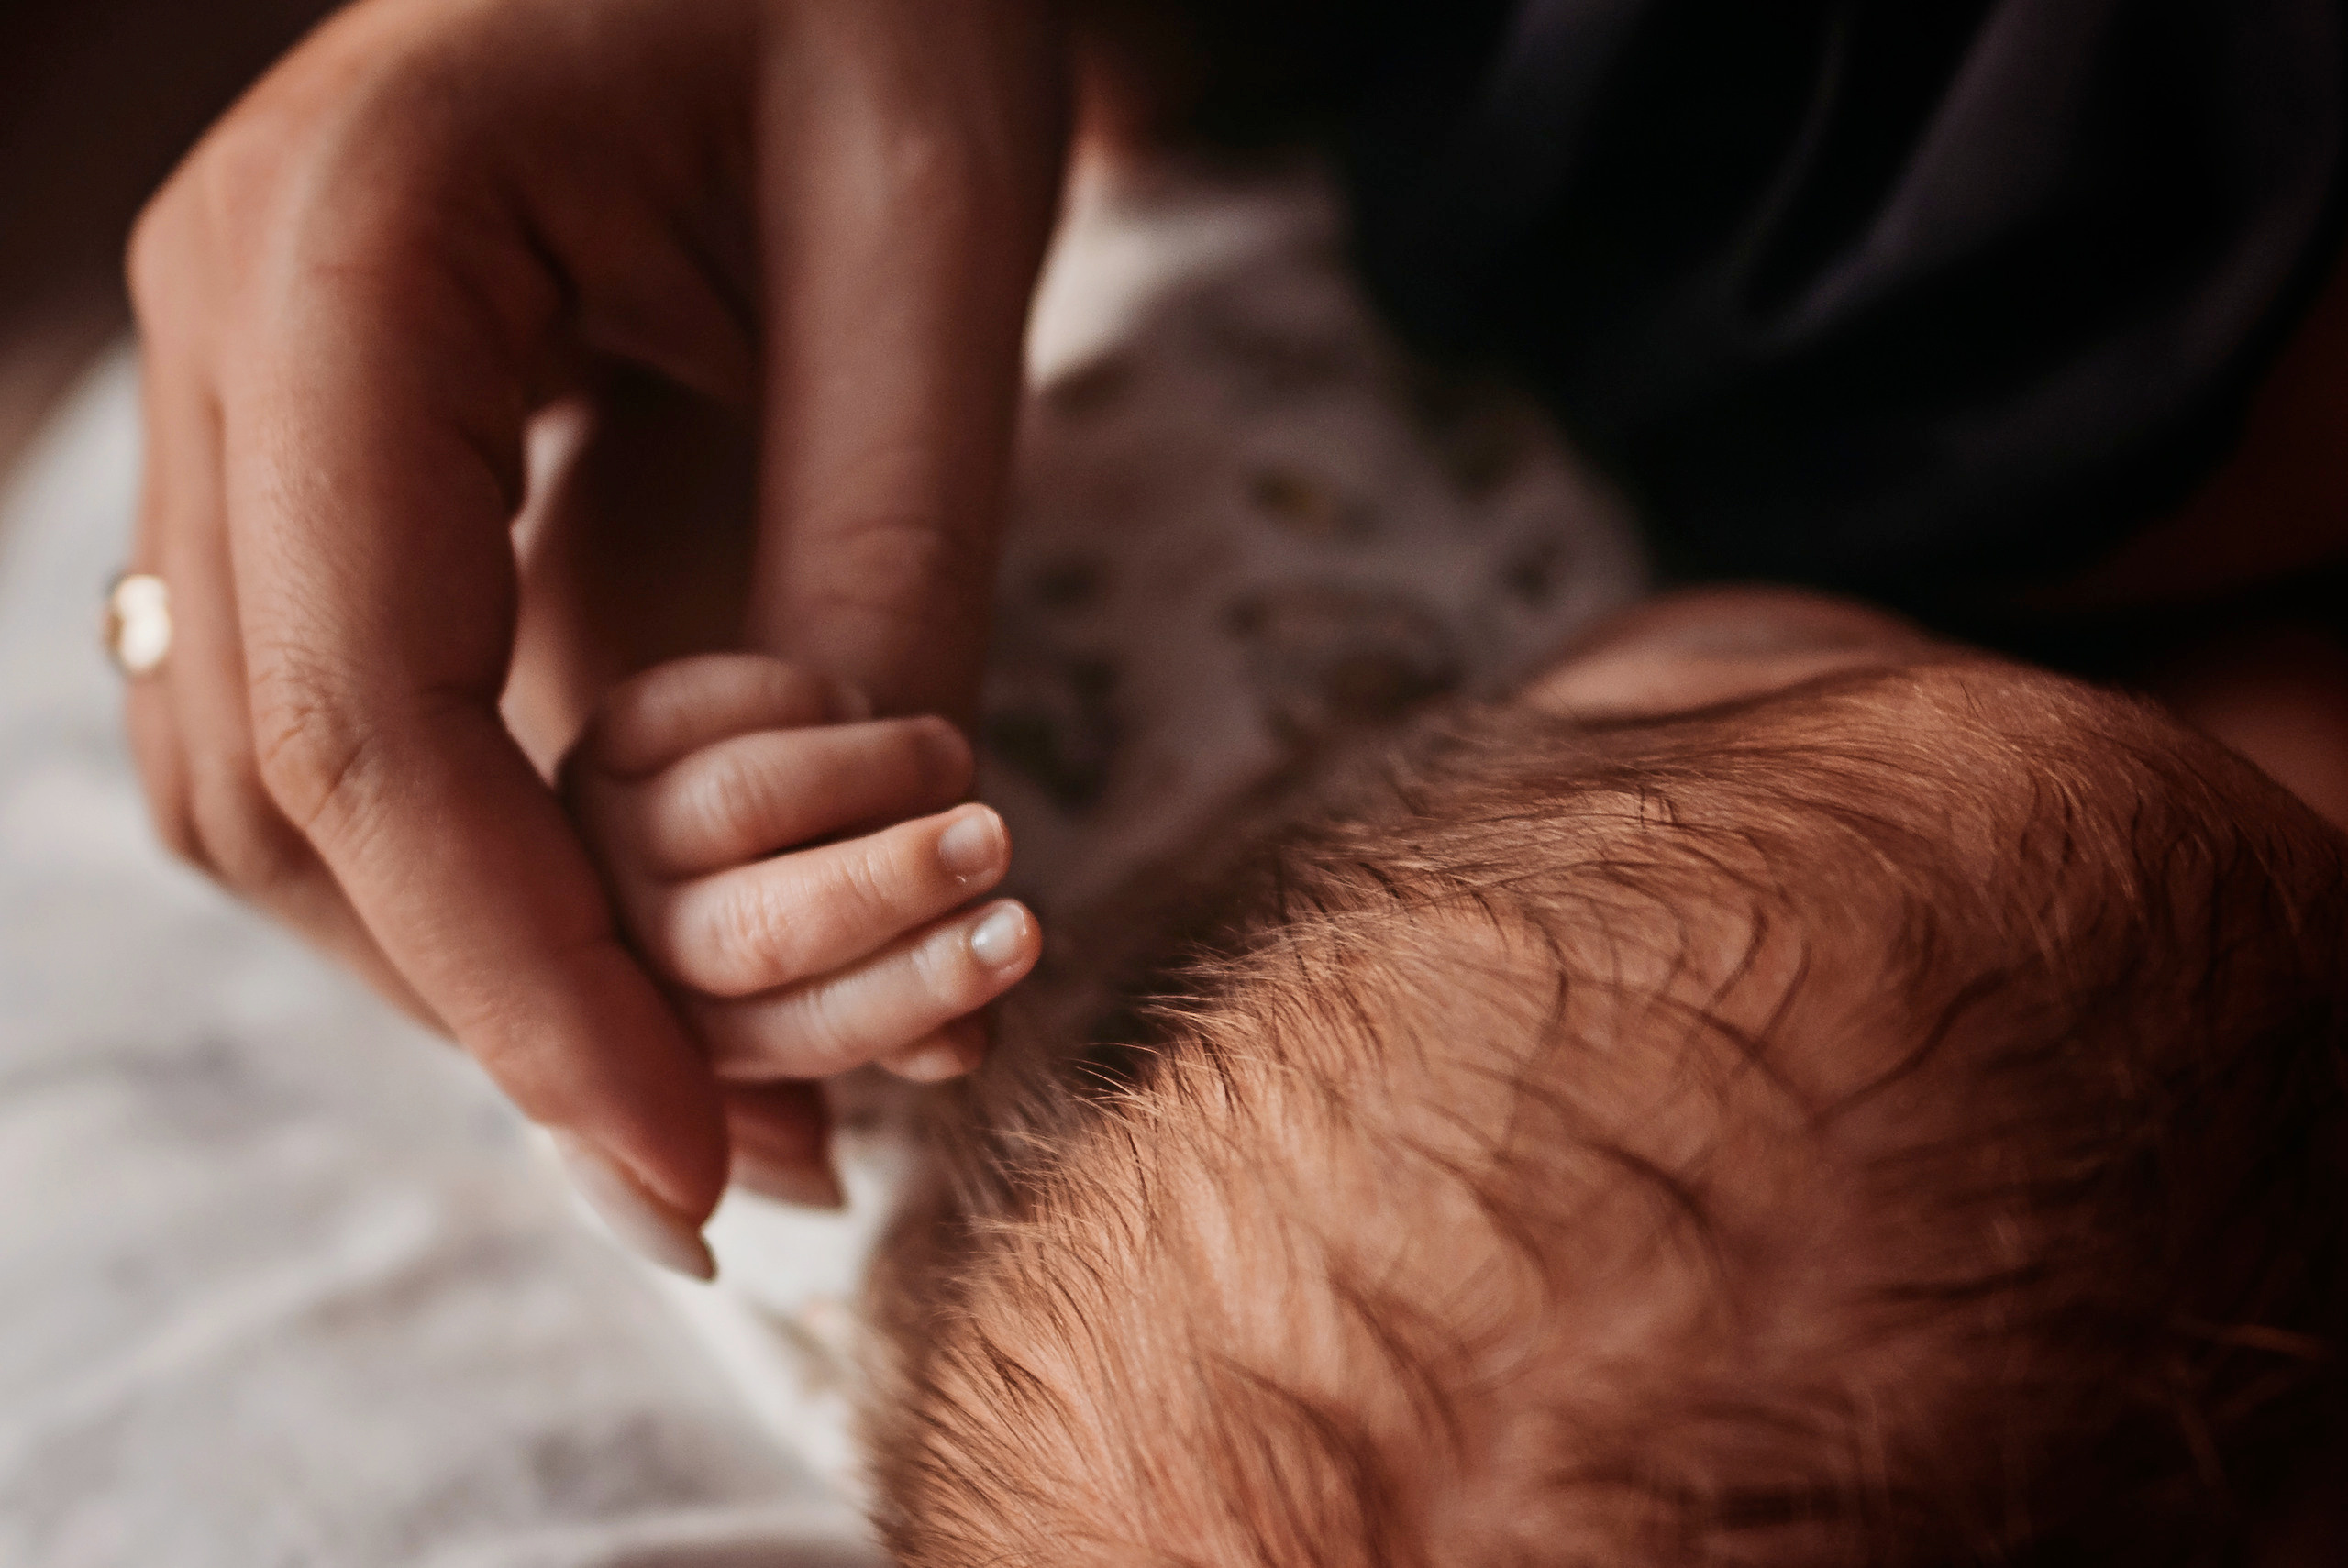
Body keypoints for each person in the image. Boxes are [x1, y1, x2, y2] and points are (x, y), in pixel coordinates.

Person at [114, 0, 2348, 1264]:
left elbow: (669, 495)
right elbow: (2210, 882)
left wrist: (694, 853)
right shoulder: (2061, 874)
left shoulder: (1017, 1279)